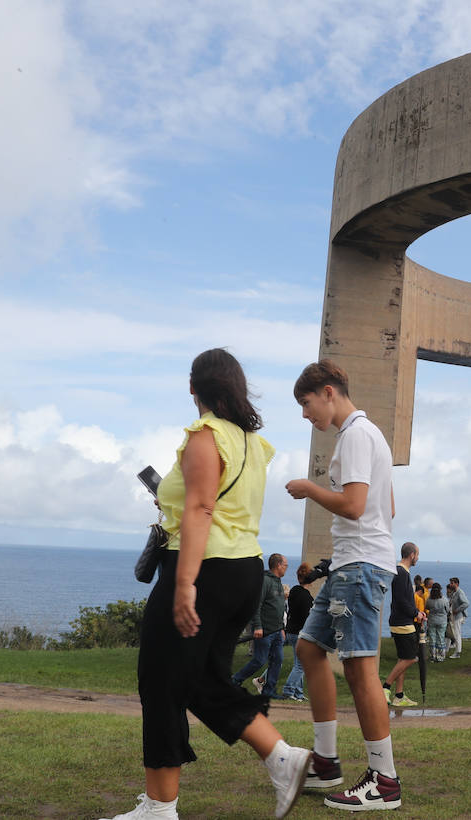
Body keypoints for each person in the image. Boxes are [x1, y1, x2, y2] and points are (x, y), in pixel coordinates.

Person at [99, 349, 309, 820]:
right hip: (244, 573)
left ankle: (161, 808)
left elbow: (200, 510)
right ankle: (279, 760)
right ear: (237, 387)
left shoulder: (205, 436)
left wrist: (185, 584)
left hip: (202, 569)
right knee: (195, 681)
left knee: (159, 680)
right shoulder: (254, 444)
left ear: (193, 388)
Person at [285, 359, 403, 811]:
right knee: (309, 650)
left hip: (360, 567)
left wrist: (311, 488)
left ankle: (384, 779)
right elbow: (384, 505)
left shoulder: (355, 434)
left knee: (358, 668)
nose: (305, 414)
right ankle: (327, 761)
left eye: (306, 402)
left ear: (329, 392)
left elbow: (356, 506)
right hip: (351, 564)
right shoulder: (365, 436)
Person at [232, 553, 287, 692]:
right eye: (285, 565)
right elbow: (257, 605)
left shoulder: (278, 582)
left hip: (277, 631)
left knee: (278, 660)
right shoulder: (266, 581)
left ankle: (269, 691)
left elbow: (278, 607)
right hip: (265, 631)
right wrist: (257, 626)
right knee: (259, 660)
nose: (286, 568)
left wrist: (281, 628)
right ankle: (235, 680)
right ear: (278, 565)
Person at [383, 542, 422, 706]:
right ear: (412, 554)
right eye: (417, 555)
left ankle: (399, 697)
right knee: (412, 658)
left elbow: (406, 600)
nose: (418, 558)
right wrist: (416, 613)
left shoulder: (403, 573)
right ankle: (385, 687)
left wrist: (418, 613)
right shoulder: (401, 573)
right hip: (402, 622)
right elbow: (401, 601)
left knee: (403, 659)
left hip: (402, 621)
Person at [276, 562, 317, 701]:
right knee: (301, 665)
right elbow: (307, 618)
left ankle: (298, 693)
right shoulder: (306, 597)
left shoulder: (293, 591)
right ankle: (288, 690)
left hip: (291, 631)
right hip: (300, 633)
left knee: (297, 664)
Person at [446, 577, 469, 659]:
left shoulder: (460, 592)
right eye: (450, 583)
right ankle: (449, 650)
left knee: (457, 634)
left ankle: (457, 652)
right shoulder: (454, 592)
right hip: (453, 616)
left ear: (457, 584)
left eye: (452, 583)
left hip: (457, 616)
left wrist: (457, 610)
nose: (450, 584)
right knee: (453, 633)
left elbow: (466, 603)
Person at [426, 583, 449, 662]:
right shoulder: (444, 599)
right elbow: (448, 610)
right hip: (442, 620)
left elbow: (427, 607)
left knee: (432, 638)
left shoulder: (429, 599)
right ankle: (441, 656)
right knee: (441, 637)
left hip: (432, 620)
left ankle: (433, 655)